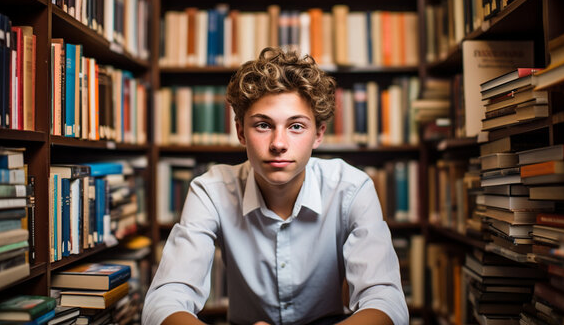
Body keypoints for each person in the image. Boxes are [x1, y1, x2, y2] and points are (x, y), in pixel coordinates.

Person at [142, 47, 408, 325]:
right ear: (241, 132)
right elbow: (166, 298)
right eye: (263, 125)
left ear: (318, 134)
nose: (278, 144)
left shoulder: (353, 187)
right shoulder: (211, 190)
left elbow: (385, 300)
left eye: (296, 126)